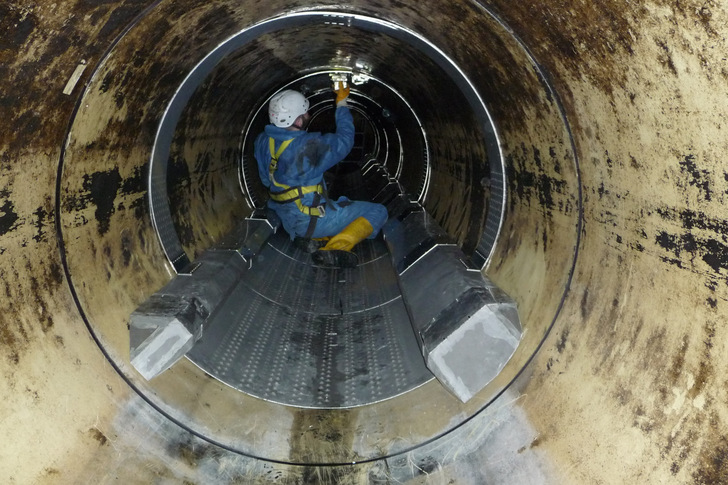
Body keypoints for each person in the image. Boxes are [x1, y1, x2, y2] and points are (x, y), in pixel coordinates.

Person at [254, 82, 388, 268]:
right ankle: (336, 248)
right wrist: (341, 103)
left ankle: (312, 238)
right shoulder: (309, 146)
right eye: (305, 113)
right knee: (378, 212)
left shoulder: (262, 141)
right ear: (298, 121)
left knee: (337, 203)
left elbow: (265, 179)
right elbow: (345, 140)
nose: (308, 115)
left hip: (285, 217)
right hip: (309, 220)